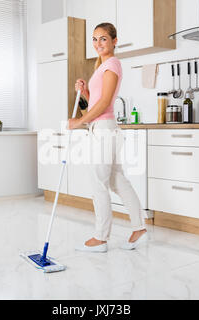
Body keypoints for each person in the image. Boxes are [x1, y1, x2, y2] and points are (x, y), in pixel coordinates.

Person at [68, 22, 148, 252]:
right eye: (94, 39)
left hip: (103, 130)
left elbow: (104, 104)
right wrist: (85, 92)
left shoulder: (112, 64)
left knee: (98, 182)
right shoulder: (102, 67)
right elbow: (96, 100)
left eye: (103, 38)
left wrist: (79, 122)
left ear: (114, 41)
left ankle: (101, 238)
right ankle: (139, 228)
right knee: (117, 181)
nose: (98, 43)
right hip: (103, 129)